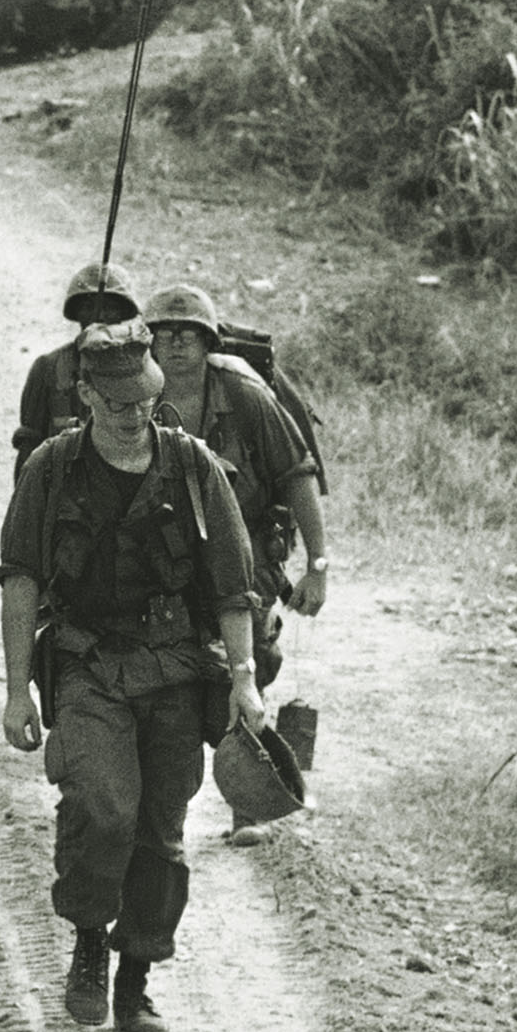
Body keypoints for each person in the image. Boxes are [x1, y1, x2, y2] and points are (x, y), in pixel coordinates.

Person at [0, 325, 262, 1032]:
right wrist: (18, 689)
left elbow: (235, 585)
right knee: (101, 804)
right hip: (88, 663)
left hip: (175, 668)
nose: (135, 415)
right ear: (84, 395)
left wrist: (244, 682)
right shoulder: (53, 468)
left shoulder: (191, 465)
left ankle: (135, 979)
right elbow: (20, 580)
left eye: (145, 400)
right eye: (117, 404)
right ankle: (89, 935)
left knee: (160, 834)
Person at [139, 285, 328, 844]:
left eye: (186, 334)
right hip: (162, 562)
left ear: (207, 341)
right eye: (162, 334)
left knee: (249, 665)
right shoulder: (135, 392)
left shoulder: (244, 394)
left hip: (245, 558)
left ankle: (248, 804)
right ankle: (157, 808)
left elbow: (297, 473)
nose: (174, 346)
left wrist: (318, 565)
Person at [12, 262, 144, 479]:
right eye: (89, 306)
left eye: (110, 306)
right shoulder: (49, 367)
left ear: (123, 312)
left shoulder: (143, 369)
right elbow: (29, 445)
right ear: (76, 312)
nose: (99, 316)